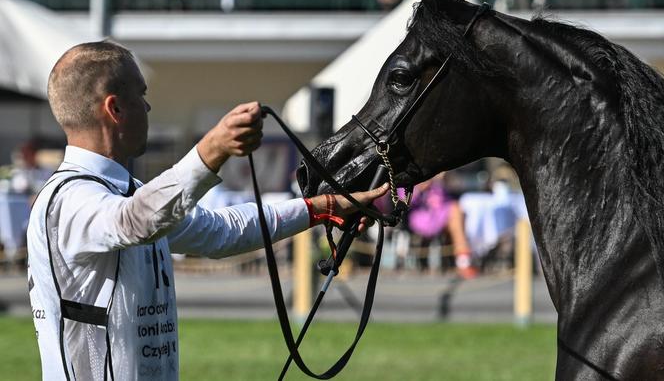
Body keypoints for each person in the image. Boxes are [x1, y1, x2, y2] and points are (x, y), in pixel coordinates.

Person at [26, 41, 387, 380]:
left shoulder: (126, 192)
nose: (148, 107)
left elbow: (220, 231)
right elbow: (135, 221)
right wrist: (211, 150)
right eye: (142, 95)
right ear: (115, 108)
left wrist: (319, 208)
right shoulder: (66, 200)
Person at [407, 173, 477, 279]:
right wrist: (421, 187)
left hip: (442, 214)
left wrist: (443, 180)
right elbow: (404, 202)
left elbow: (447, 197)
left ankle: (462, 259)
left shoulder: (436, 179)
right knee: (456, 214)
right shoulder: (407, 177)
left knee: (457, 213)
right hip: (422, 216)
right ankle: (463, 260)